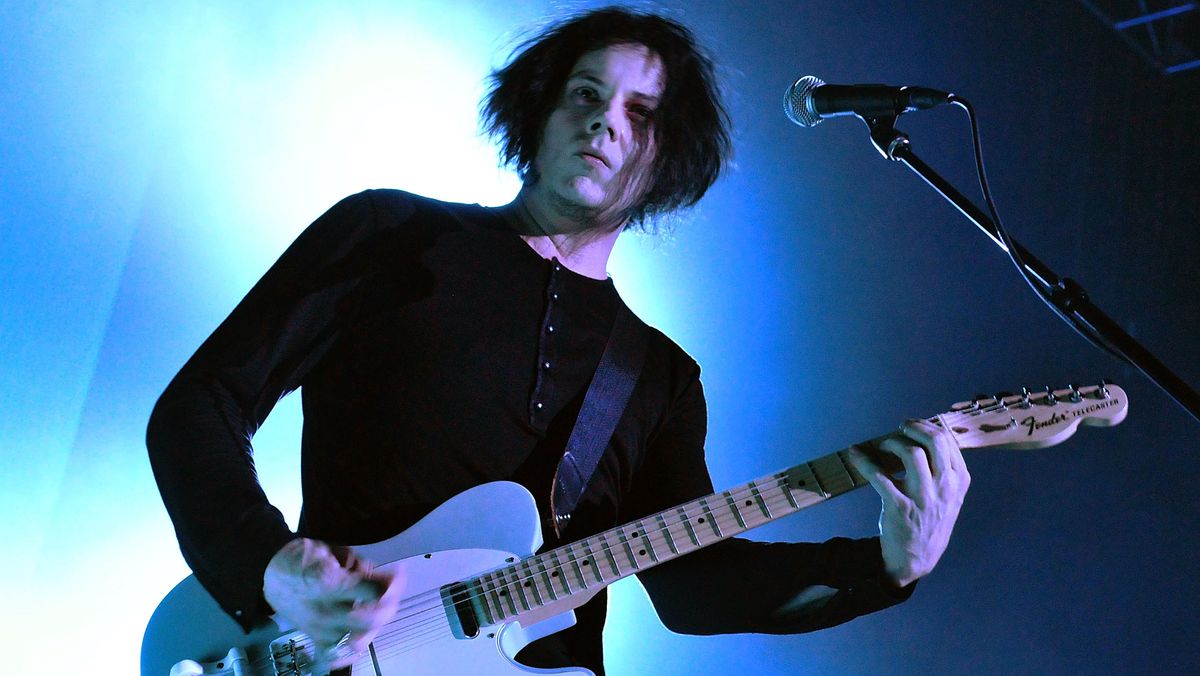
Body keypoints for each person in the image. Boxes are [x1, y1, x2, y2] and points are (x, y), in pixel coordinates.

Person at [147, 6, 970, 675]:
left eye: (641, 114)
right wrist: (269, 567)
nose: (606, 123)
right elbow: (203, 403)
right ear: (538, 108)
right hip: (323, 651)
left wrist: (881, 568)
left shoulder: (659, 378)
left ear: (668, 156)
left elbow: (693, 591)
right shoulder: (388, 234)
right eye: (585, 94)